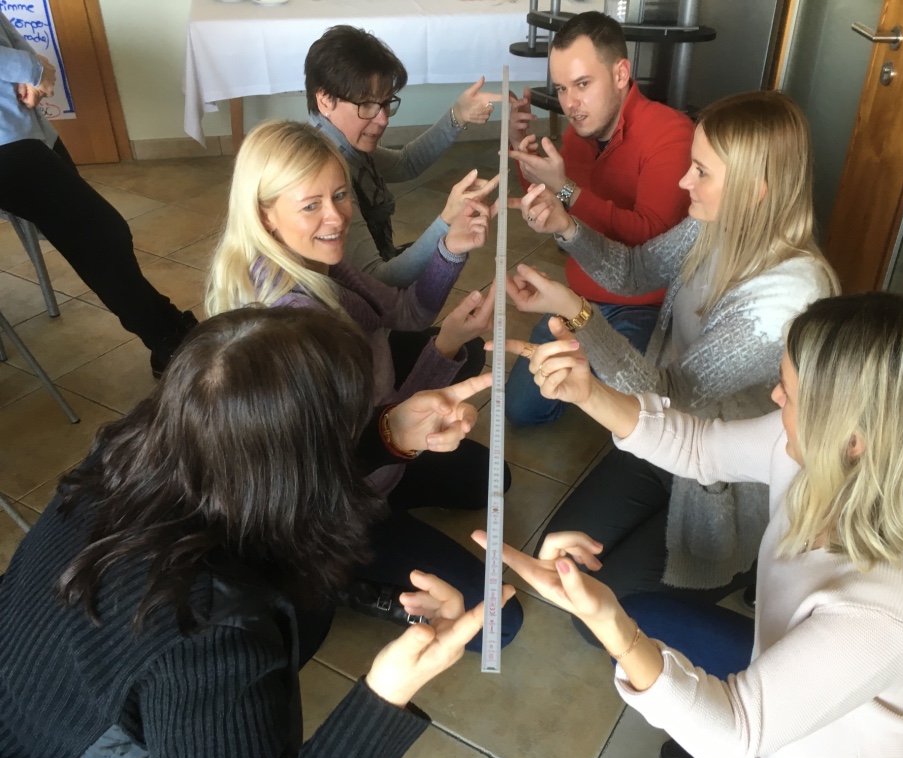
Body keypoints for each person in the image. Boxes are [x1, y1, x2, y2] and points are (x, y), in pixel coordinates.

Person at [0, 306, 515, 758]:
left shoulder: (129, 452)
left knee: (311, 603)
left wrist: (387, 433)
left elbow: (261, 464)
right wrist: (385, 695)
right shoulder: (213, 639)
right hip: (51, 749)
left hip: (39, 688)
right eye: (352, 420)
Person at [486, 292, 903, 758]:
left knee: (645, 644)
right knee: (645, 619)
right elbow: (701, 447)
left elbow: (733, 733)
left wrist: (608, 621)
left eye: (789, 394)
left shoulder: (894, 609)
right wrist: (589, 393)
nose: (775, 396)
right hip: (777, 698)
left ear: (853, 439)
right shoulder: (819, 455)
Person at [507, 91, 838, 629]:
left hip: (727, 485)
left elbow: (667, 395)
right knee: (562, 561)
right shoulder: (716, 224)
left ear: (754, 189)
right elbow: (635, 270)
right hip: (663, 440)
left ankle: (755, 555)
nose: (684, 182)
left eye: (701, 171)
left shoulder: (785, 299)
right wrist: (567, 228)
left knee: (600, 619)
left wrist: (577, 312)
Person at [205, 120, 522, 649]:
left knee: (492, 478)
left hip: (374, 452)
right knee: (499, 623)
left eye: (340, 194)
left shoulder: (316, 262)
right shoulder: (297, 324)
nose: (336, 217)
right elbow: (381, 435)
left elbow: (402, 311)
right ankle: (345, 578)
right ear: (265, 214)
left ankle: (386, 524)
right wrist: (444, 347)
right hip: (339, 499)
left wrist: (451, 248)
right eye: (311, 205)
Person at [504, 11, 695, 425]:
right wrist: (521, 149)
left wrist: (567, 191)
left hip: (641, 305)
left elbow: (650, 237)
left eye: (582, 84)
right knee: (519, 409)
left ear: (621, 74)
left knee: (638, 417)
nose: (570, 104)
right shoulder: (578, 134)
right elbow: (555, 197)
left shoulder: (671, 133)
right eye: (561, 88)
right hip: (577, 298)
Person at [0, 13, 197, 376]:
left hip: (24, 126)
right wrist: (33, 68)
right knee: (102, 235)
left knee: (101, 241)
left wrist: (37, 70)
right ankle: (166, 340)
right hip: (6, 141)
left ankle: (169, 328)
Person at [305, 24, 501, 288]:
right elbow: (379, 280)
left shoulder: (333, 141)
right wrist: (446, 221)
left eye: (386, 103)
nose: (383, 119)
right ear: (325, 100)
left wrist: (458, 113)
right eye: (367, 105)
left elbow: (405, 163)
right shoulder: (326, 173)